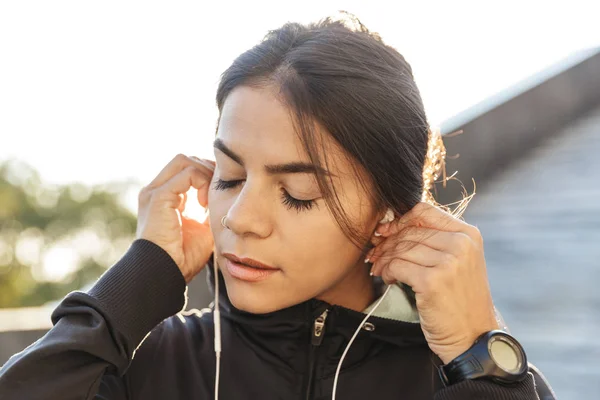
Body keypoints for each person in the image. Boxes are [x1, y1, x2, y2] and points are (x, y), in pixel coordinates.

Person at [0, 13, 556, 400]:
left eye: (298, 194)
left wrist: (478, 359)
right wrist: (136, 284)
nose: (240, 218)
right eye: (230, 176)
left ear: (389, 210)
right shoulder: (150, 362)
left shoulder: (466, 379)